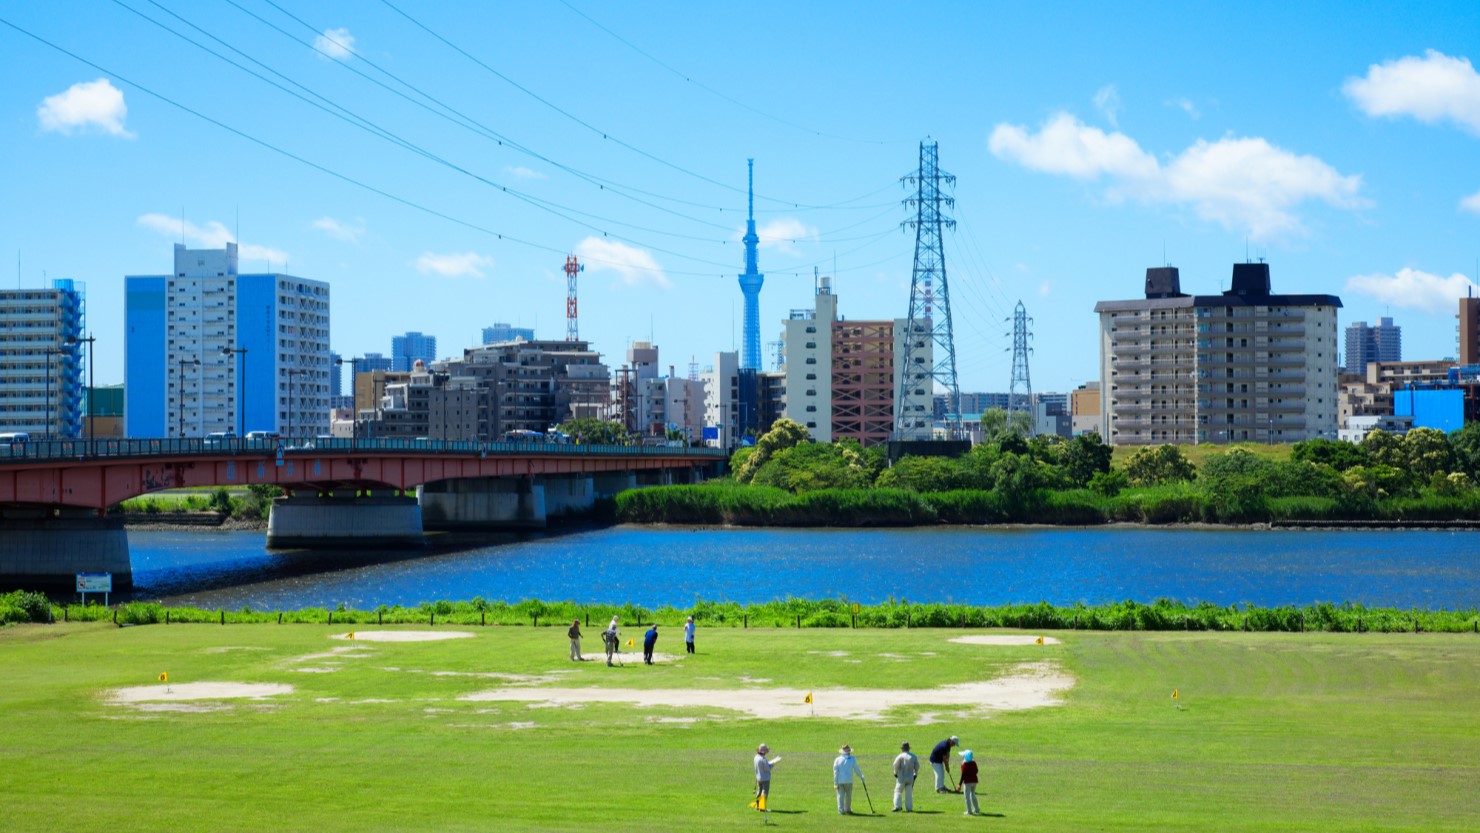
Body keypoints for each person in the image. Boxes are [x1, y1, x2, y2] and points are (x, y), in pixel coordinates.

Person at [832, 744, 865, 815]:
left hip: (840, 781)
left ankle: (841, 810)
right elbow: (856, 769)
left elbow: (835, 772)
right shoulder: (852, 759)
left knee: (840, 796)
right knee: (848, 796)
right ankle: (847, 809)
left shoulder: (837, 760)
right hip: (849, 780)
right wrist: (861, 776)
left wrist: (835, 783)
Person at [891, 741, 919, 812]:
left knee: (898, 791)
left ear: (902, 749)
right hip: (910, 777)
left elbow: (895, 765)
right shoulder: (913, 756)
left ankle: (898, 806)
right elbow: (917, 767)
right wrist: (915, 773)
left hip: (901, 777)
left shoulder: (900, 756)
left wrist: (895, 772)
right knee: (909, 793)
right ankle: (909, 808)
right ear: (909, 748)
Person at [960, 749, 980, 815]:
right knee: (973, 794)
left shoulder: (964, 764)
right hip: (974, 781)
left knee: (967, 796)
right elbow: (976, 771)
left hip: (967, 782)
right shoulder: (973, 762)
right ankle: (977, 809)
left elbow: (963, 775)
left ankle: (969, 811)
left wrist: (959, 784)